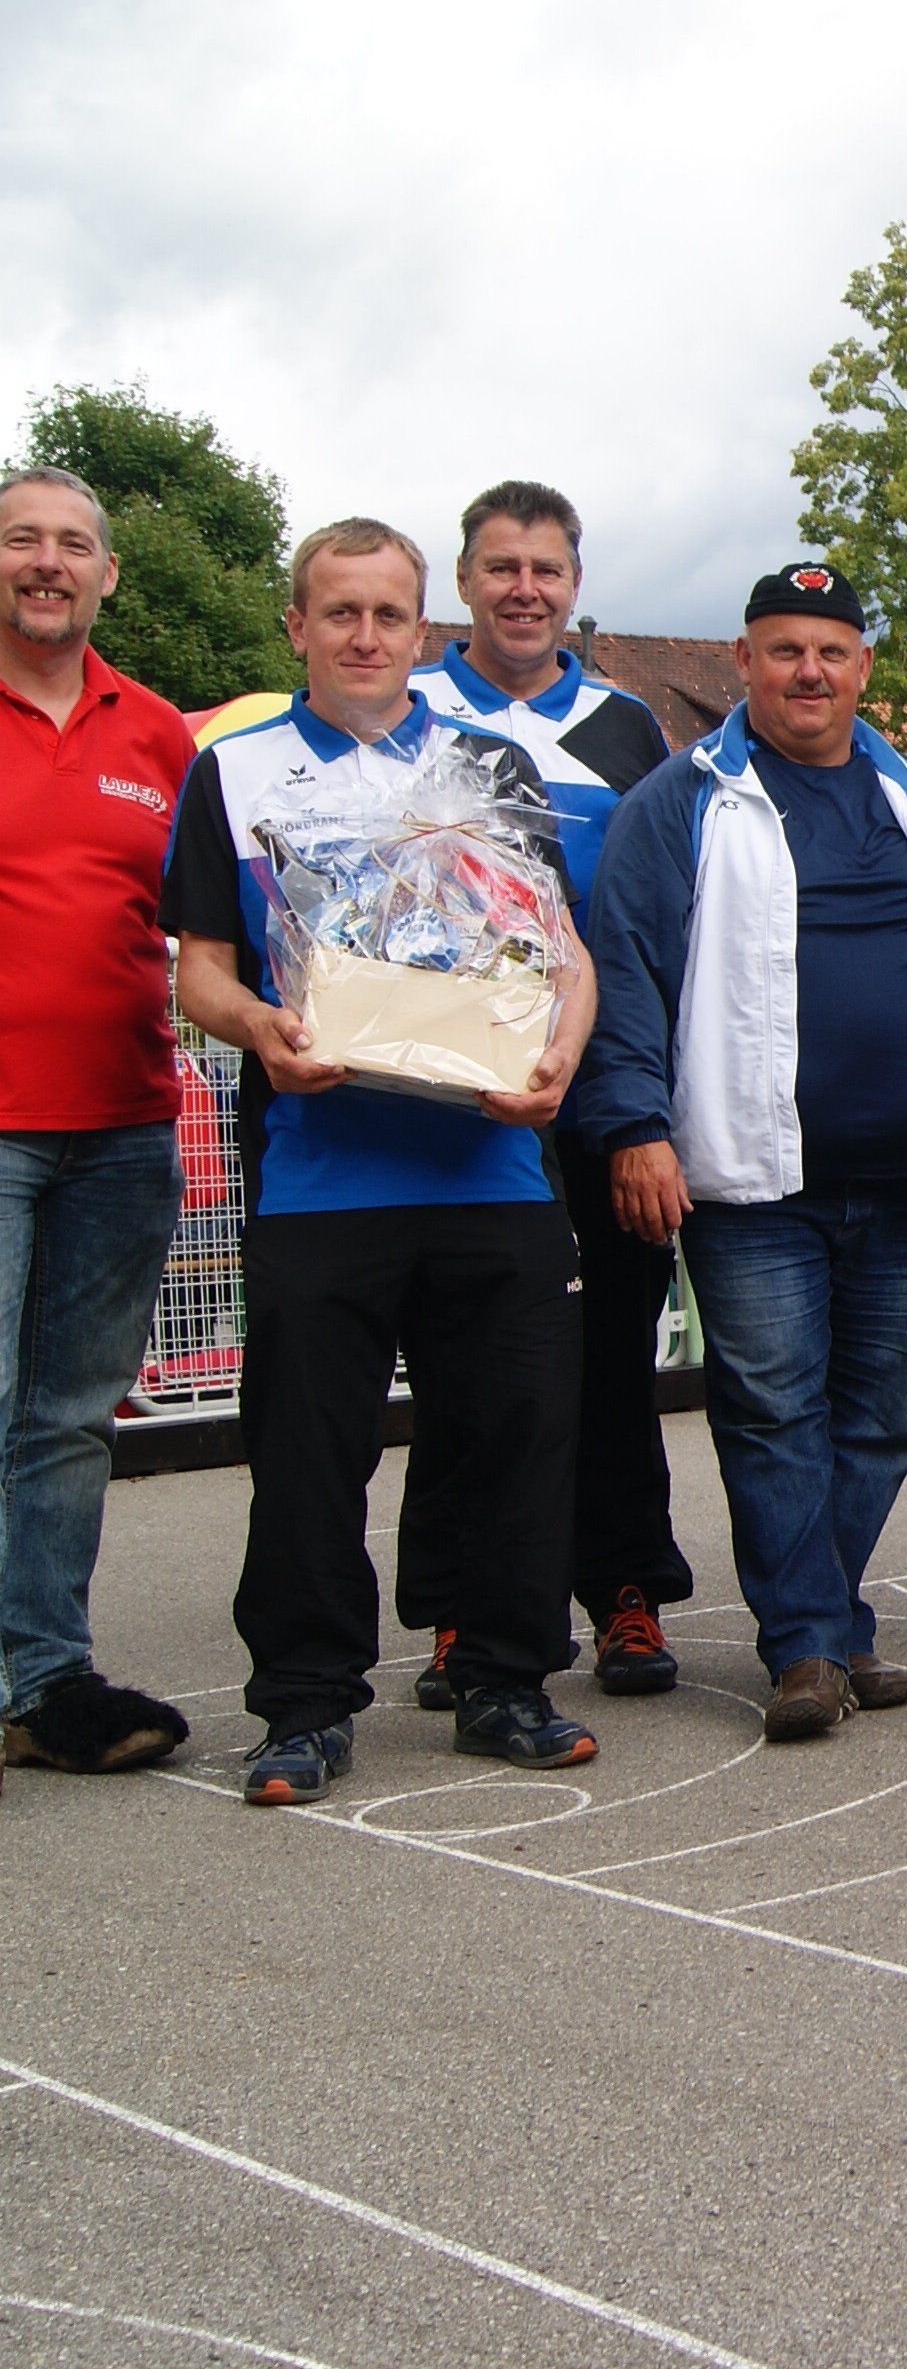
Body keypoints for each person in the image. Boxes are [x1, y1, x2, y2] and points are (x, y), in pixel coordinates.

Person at [162, 519, 600, 1802]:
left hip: (493, 1171)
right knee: (308, 1451)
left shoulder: (488, 767)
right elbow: (202, 971)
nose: (364, 637)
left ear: (425, 630)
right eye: (338, 613)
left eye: (388, 616)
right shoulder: (234, 775)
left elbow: (560, 955)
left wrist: (558, 1062)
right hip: (321, 1173)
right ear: (296, 626)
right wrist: (263, 1031)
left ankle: (504, 1678)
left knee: (514, 1434)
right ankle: (303, 1705)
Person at [578, 564, 907, 1744]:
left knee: (879, 1416)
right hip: (751, 1177)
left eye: (830, 651)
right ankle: (809, 1646)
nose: (809, 672)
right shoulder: (681, 802)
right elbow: (626, 972)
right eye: (784, 651)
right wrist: (632, 1125)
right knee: (773, 1411)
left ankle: (821, 1615)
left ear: (864, 668)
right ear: (744, 661)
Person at [397, 481, 682, 1708]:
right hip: (455, 1089)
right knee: (465, 1361)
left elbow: (651, 928)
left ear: (575, 586)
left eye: (548, 570)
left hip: (596, 1090)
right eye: (502, 567)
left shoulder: (628, 727)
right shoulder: (405, 715)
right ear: (464, 581)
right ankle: (463, 1610)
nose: (525, 589)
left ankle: (621, 1589)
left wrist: (639, 1106)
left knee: (613, 1349)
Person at [0, 466, 199, 1781]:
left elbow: (222, 925)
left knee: (72, 1419)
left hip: (125, 1125)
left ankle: (43, 1679)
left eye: (74, 544)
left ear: (107, 574)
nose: (48, 562)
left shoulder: (161, 736)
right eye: (22, 539)